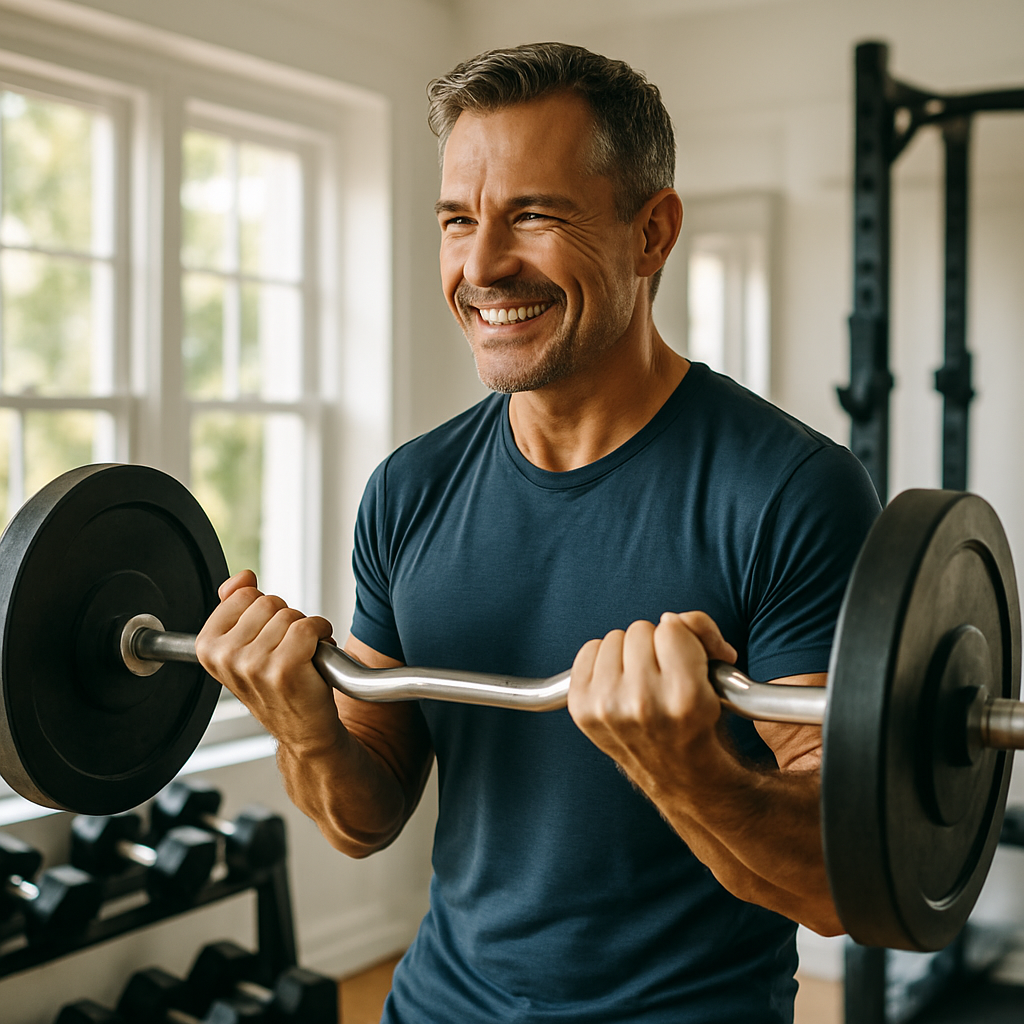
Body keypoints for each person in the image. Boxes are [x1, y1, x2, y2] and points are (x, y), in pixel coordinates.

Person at [197, 42, 881, 1024]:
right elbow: (367, 815)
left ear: (651, 234)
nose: (481, 266)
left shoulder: (789, 491)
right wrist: (301, 723)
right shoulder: (410, 489)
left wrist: (684, 764)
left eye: (533, 214)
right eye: (458, 221)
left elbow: (833, 883)